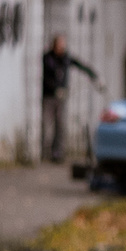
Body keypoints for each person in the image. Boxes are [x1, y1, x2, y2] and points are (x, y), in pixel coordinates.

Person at [39, 35, 91, 163]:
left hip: (61, 97)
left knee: (60, 124)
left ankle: (58, 153)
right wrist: (55, 88)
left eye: (63, 45)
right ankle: (44, 151)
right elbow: (45, 77)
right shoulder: (48, 58)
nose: (62, 48)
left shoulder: (65, 58)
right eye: (60, 45)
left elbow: (78, 64)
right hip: (49, 96)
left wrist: (93, 75)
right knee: (46, 124)